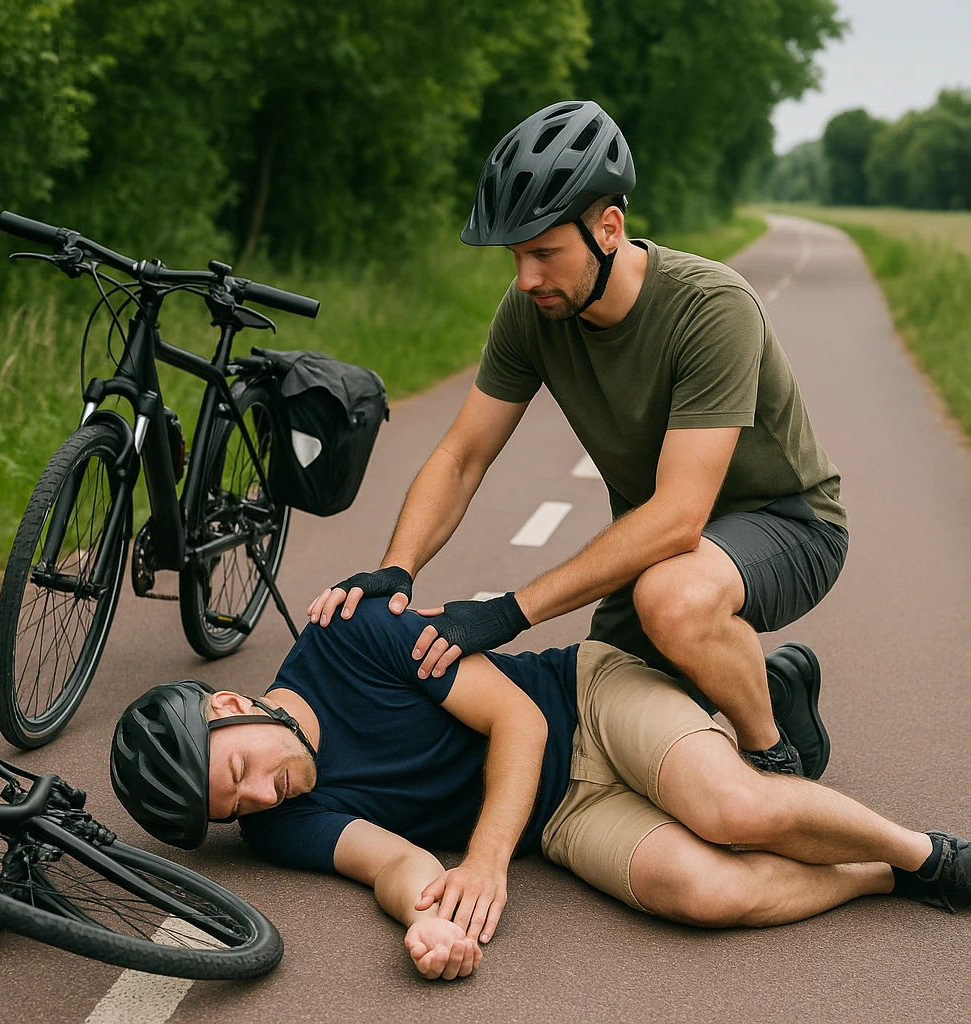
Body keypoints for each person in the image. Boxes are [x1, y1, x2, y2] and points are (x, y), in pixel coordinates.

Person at [306, 100, 848, 778]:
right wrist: (398, 567)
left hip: (787, 524)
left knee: (673, 605)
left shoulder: (712, 310)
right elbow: (462, 455)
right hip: (659, 553)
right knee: (597, 714)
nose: (526, 278)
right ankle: (773, 685)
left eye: (544, 253)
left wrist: (509, 612)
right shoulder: (532, 313)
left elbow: (681, 518)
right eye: (515, 257)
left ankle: (773, 755)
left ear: (609, 228)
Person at [111, 601, 971, 982]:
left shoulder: (349, 638)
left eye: (241, 773)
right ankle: (880, 879)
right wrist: (431, 921)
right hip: (561, 816)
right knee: (701, 890)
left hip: (584, 700)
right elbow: (391, 862)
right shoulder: (279, 825)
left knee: (732, 811)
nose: (263, 796)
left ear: (230, 706)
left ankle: (929, 854)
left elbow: (518, 721)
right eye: (238, 809)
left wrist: (485, 863)